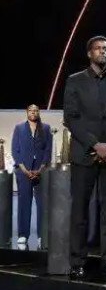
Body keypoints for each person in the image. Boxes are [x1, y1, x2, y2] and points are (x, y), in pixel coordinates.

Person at [64, 35, 106, 279]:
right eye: (98, 48)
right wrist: (95, 144)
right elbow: (71, 118)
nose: (103, 51)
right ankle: (77, 261)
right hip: (84, 155)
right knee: (80, 211)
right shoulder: (75, 81)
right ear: (89, 53)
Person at [11, 104, 52, 246]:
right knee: (24, 202)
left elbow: (48, 150)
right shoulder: (19, 128)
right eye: (30, 110)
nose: (33, 112)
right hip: (23, 170)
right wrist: (24, 169)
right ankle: (23, 234)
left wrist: (40, 169)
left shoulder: (45, 128)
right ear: (27, 112)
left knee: (42, 204)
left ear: (39, 112)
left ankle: (42, 235)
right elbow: (15, 150)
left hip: (40, 170)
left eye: (36, 110)